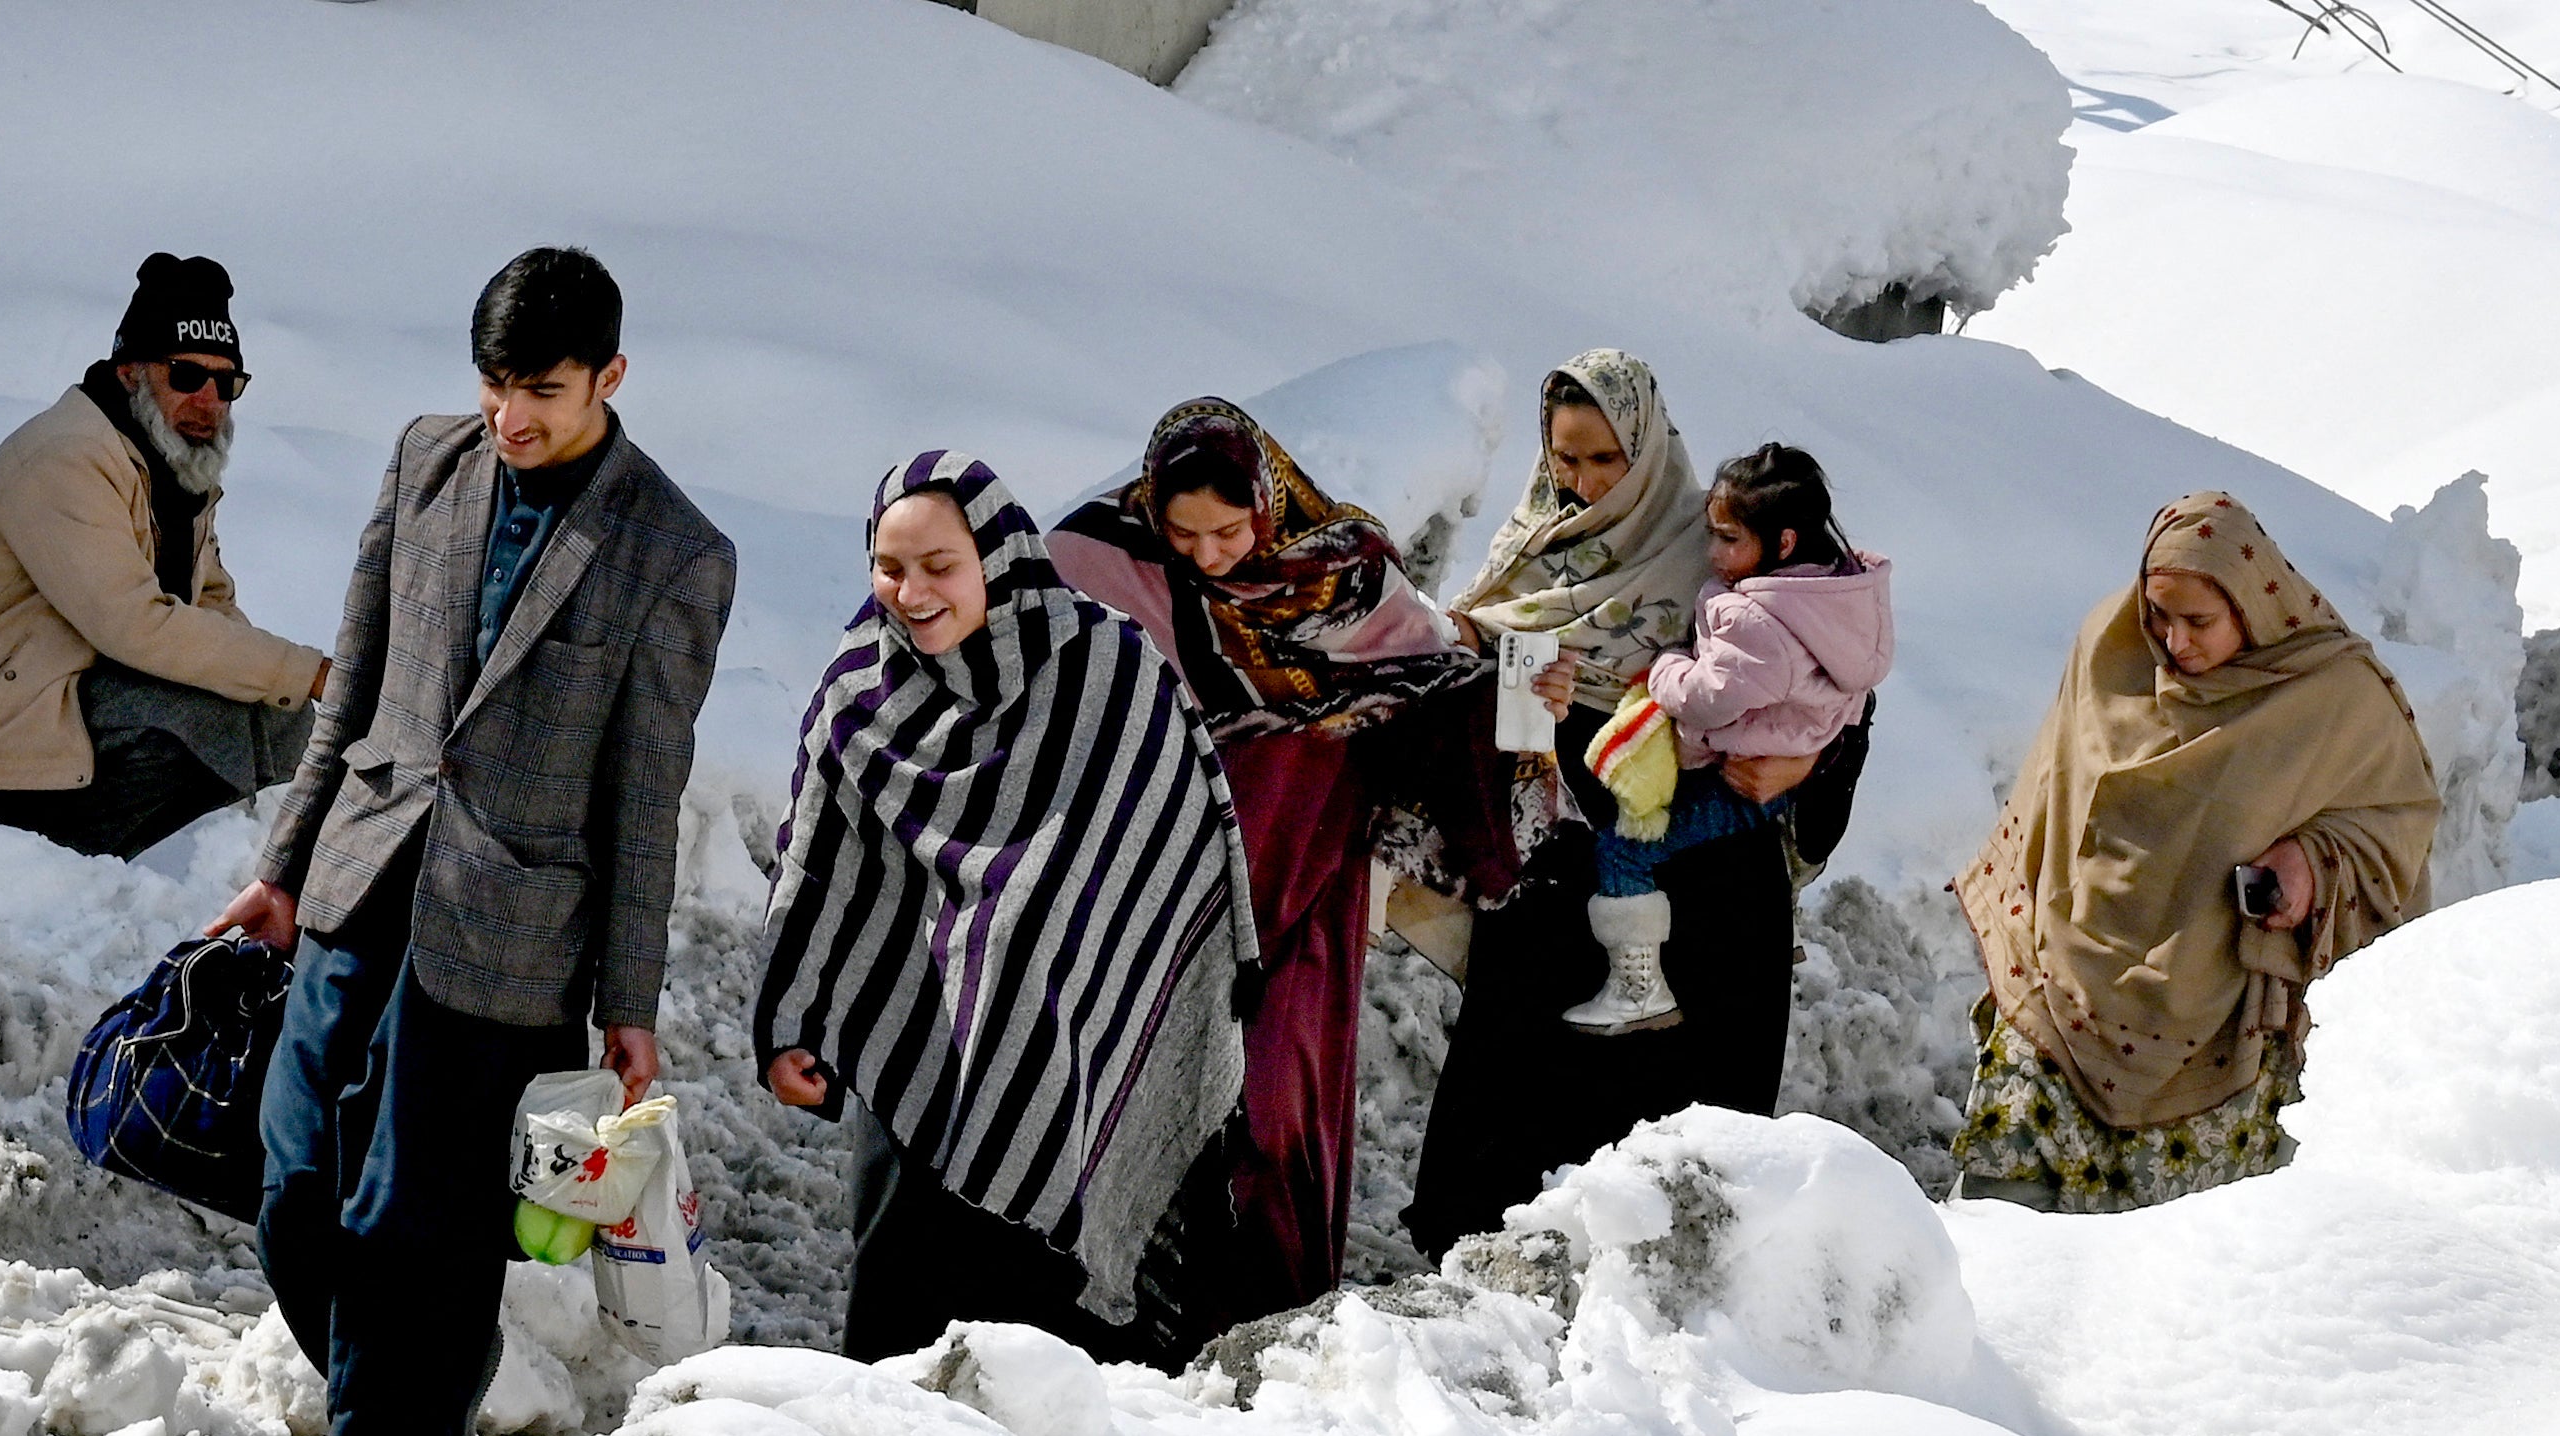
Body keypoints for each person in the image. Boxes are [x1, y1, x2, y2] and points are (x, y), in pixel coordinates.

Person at [209, 247, 735, 1436]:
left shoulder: (673, 551)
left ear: (611, 377)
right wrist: (283, 865)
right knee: (292, 1181)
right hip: (361, 875)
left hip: (511, 927)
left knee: (411, 1220)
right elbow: (357, 685)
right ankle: (421, 1393)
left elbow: (643, 797)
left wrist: (629, 1003)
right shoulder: (424, 462)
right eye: (495, 385)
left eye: (544, 390)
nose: (513, 416)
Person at [754, 450, 1257, 1366]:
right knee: (903, 1320)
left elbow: (1182, 852)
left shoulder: (1107, 669)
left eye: (940, 565)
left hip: (1073, 1058)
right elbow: (816, 862)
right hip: (915, 1051)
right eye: (890, 566)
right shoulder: (860, 689)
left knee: (1049, 1345)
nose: (912, 592)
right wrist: (794, 1015)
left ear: (996, 554)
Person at [1051, 398, 1518, 1319]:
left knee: (1278, 1104)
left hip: (1303, 890)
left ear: (1265, 504)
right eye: (1184, 533)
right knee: (1143, 1099)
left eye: (1229, 531)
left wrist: (1499, 695)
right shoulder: (1100, 556)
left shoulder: (1338, 570)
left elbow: (1432, 677)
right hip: (1156, 894)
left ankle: (1268, 1332)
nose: (1208, 555)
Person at [1404, 352, 1839, 1257]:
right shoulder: (1531, 547)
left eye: (1605, 460)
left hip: (1706, 877)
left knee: (1685, 1147)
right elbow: (1470, 674)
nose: (1583, 481)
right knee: (1521, 1130)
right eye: (1566, 458)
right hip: (1559, 868)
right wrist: (1501, 679)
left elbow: (1836, 688)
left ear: (1643, 450)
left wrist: (1802, 769)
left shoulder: (1718, 545)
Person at [1950, 491, 2439, 1213]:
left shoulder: (2333, 698)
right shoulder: (2109, 651)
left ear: (2255, 604)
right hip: (2063, 987)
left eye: (2200, 621)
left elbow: (2398, 821)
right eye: (2160, 615)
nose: (2175, 642)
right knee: (2003, 1217)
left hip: (2216, 1028)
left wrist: (2311, 863)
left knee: (2182, 1256)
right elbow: (2051, 800)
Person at [0, 253, 330, 859]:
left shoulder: (171, 470)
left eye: (226, 382)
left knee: (278, 718)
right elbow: (134, 625)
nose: (209, 400)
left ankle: (240, 859)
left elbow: (212, 612)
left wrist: (285, 694)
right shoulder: (68, 456)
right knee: (205, 723)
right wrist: (310, 671)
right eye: (187, 375)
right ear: (131, 371)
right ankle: (54, 867)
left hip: (49, 708)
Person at [1563, 443, 1892, 1033]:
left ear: (1783, 544)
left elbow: (1705, 698)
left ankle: (1639, 986)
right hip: (1772, 782)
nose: (1710, 554)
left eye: (1726, 539)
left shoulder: (1758, 622)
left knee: (1625, 849)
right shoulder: (1837, 599)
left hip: (1741, 784)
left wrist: (1665, 666)